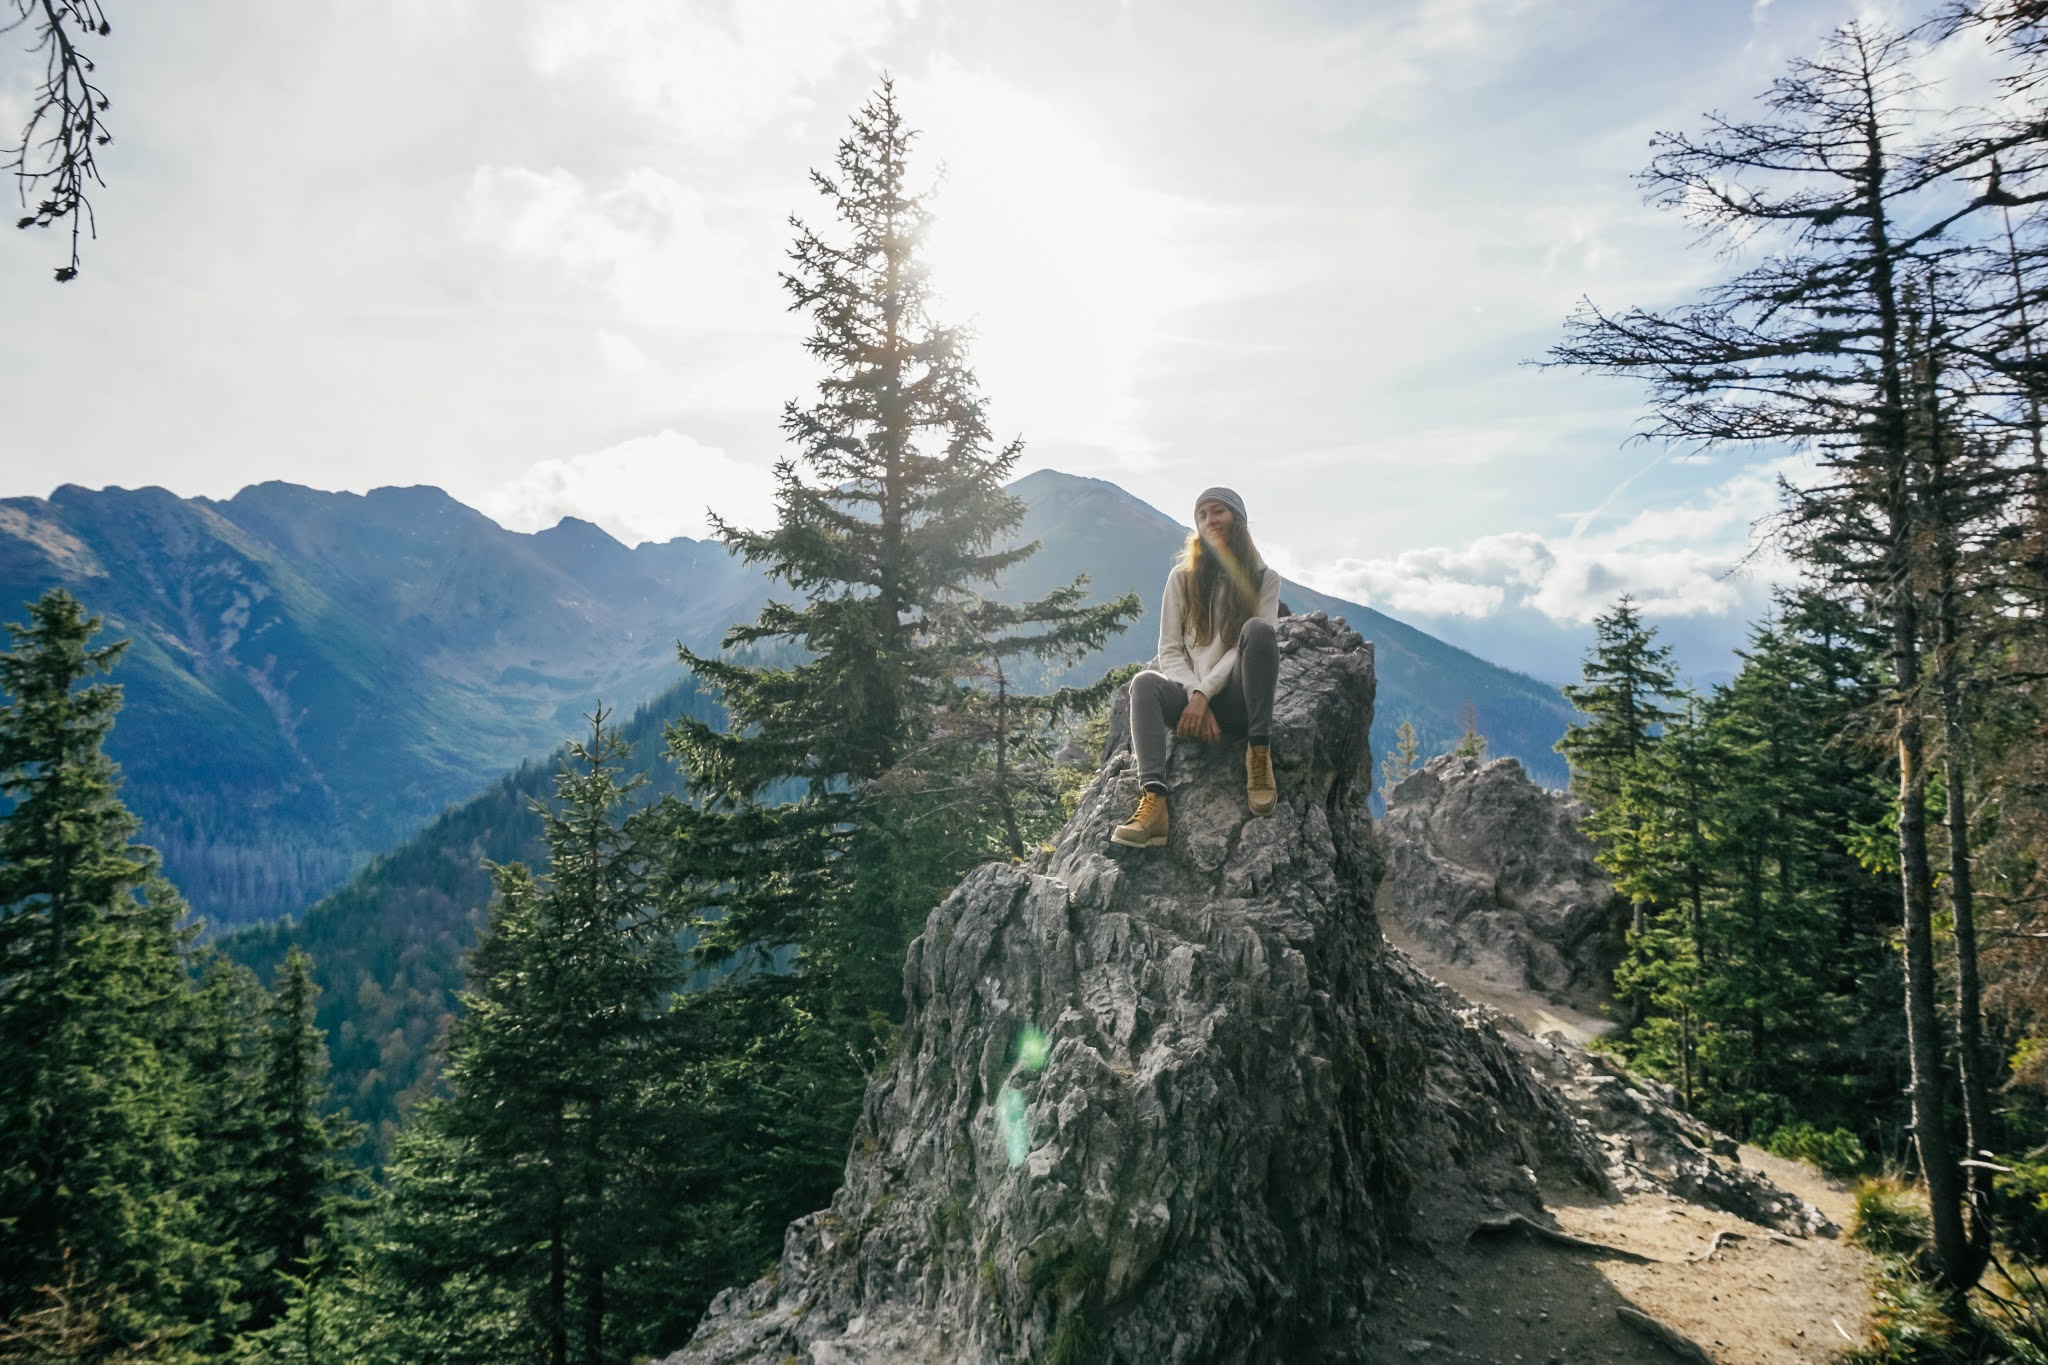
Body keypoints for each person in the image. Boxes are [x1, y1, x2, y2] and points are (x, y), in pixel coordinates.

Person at [1112, 486, 1281, 849]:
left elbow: (1245, 650)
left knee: (1259, 631)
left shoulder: (1265, 579)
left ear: (1238, 518)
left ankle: (1259, 753)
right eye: (1202, 515)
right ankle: (1154, 803)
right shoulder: (1181, 579)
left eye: (1218, 511)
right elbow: (1169, 651)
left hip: (1237, 700)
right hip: (1190, 707)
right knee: (1144, 683)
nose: (1210, 521)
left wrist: (1206, 692)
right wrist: (1193, 694)